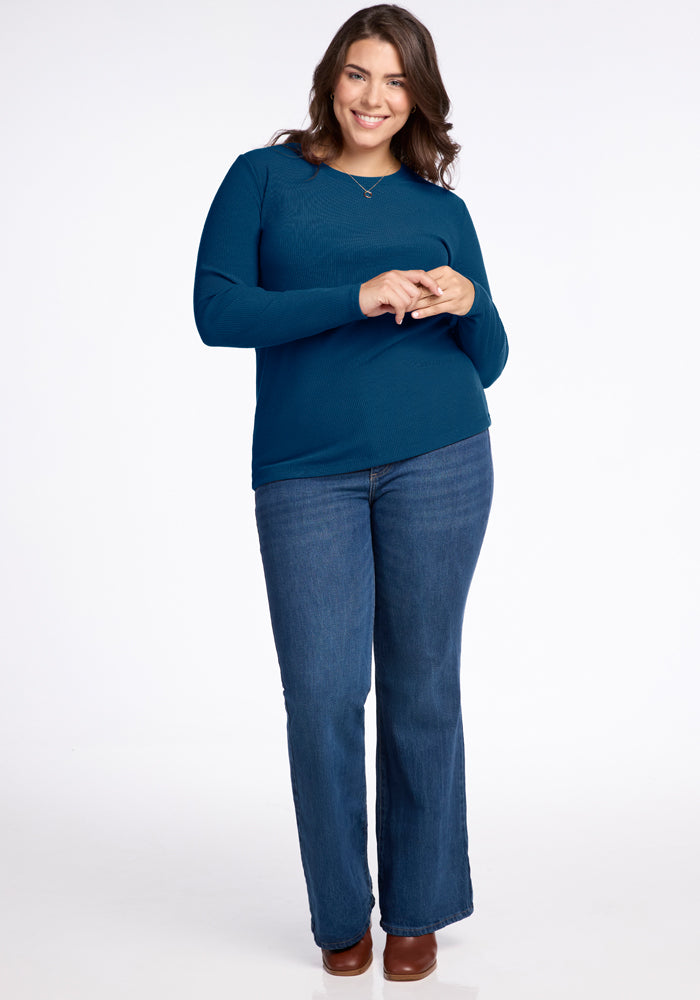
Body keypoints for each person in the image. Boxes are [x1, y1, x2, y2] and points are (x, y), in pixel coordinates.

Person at [193, 3, 508, 982]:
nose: (374, 97)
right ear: (333, 77)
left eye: (396, 81)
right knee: (323, 697)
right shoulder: (264, 178)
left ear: (417, 97)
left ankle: (417, 907)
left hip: (442, 454)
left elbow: (489, 360)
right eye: (360, 74)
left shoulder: (441, 208)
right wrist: (357, 295)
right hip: (306, 469)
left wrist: (469, 302)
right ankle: (341, 911)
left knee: (421, 693)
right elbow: (217, 310)